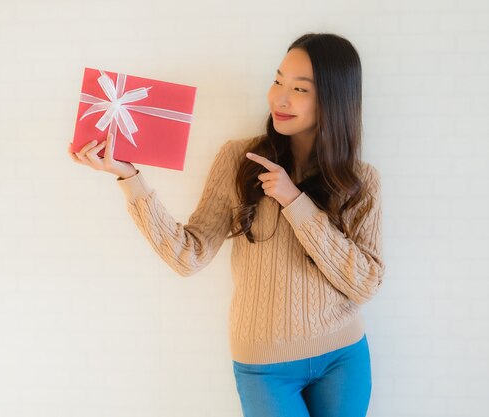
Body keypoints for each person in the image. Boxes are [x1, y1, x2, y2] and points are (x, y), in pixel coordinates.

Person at [69, 32, 385, 417]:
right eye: (278, 80)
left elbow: (366, 283)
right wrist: (129, 177)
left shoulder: (360, 181)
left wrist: (294, 201)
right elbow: (189, 256)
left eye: (300, 88)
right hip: (264, 366)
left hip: (343, 358)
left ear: (333, 100)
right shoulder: (241, 159)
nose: (280, 98)